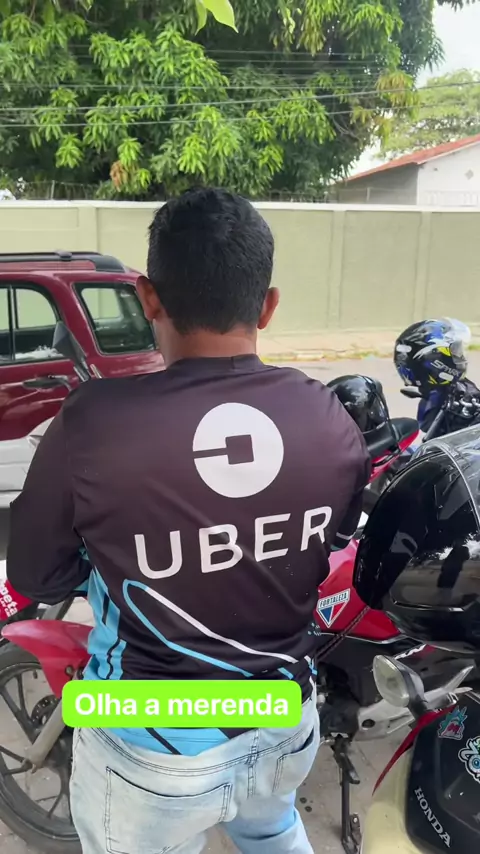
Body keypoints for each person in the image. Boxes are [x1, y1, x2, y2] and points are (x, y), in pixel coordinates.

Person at [7, 188, 370, 854]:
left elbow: (34, 574)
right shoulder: (328, 419)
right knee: (272, 830)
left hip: (151, 737)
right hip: (283, 717)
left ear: (148, 298)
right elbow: (330, 545)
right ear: (267, 305)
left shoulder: (94, 424)